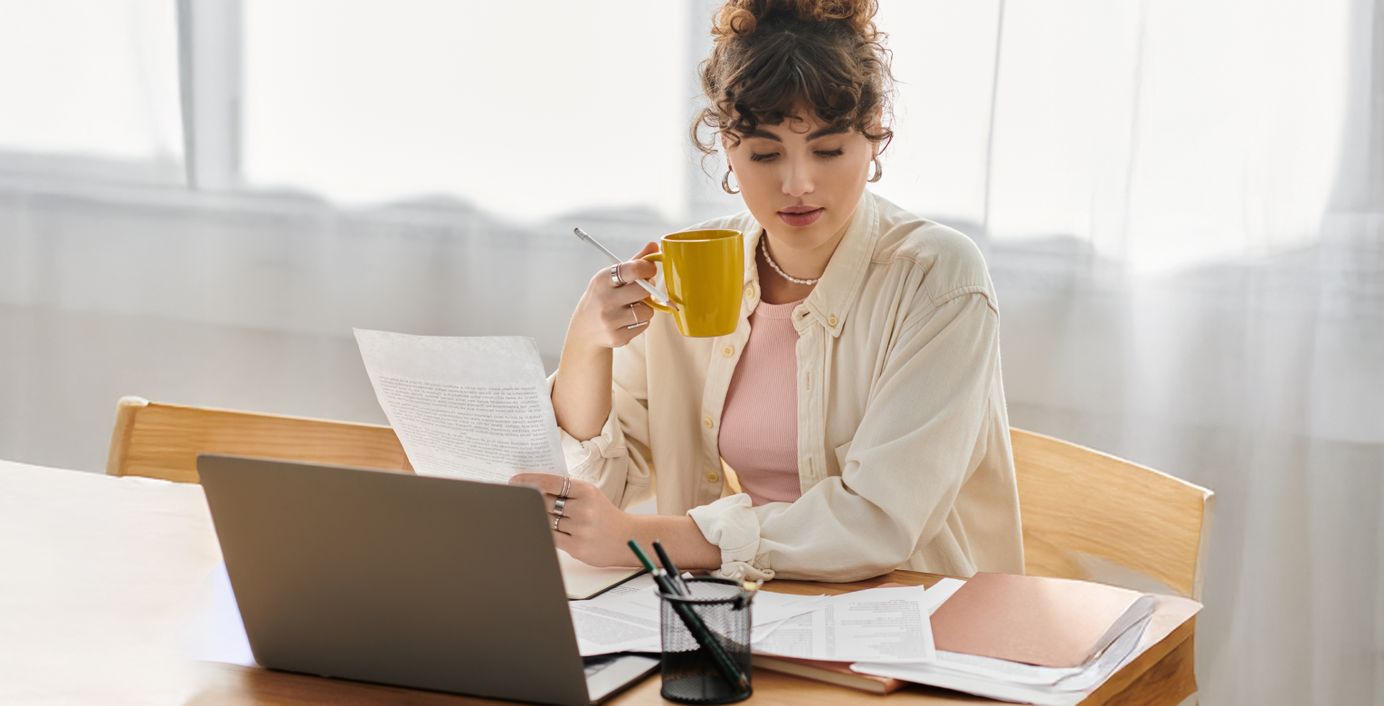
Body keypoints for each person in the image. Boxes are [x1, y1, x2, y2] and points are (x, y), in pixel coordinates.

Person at [513, 0, 1023, 582]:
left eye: (828, 150)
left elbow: (879, 521)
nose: (797, 183)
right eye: (765, 154)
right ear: (728, 147)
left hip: (916, 609)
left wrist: (643, 539)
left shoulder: (937, 278)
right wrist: (587, 342)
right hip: (760, 604)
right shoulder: (692, 266)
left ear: (874, 133)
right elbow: (602, 487)